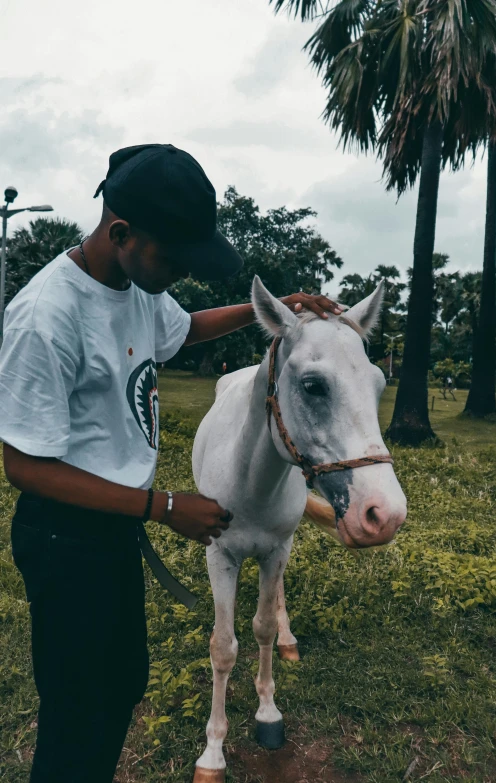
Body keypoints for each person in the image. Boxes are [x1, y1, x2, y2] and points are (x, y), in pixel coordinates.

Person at [0, 143, 342, 783]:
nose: (181, 272)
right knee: (78, 714)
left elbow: (181, 330)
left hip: (114, 532)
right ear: (120, 232)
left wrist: (274, 312)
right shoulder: (47, 317)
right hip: (66, 539)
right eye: (175, 258)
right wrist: (163, 508)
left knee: (121, 685)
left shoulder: (131, 282)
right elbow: (25, 467)